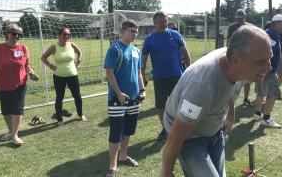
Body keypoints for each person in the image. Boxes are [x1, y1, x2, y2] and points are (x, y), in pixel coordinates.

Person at [160, 25, 272, 177]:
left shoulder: (238, 66)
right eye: (261, 62)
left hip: (214, 130)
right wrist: (166, 172)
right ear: (236, 60)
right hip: (189, 136)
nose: (269, 67)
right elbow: (175, 137)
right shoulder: (201, 87)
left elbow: (230, 91)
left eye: (269, 59)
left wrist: (230, 118)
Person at [104, 19, 146, 177]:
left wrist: (142, 90)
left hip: (134, 98)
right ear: (123, 31)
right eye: (131, 31)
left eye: (136, 31)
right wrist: (119, 94)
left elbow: (140, 73)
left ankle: (123, 156)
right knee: (116, 132)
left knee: (128, 130)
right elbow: (109, 73)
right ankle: (112, 166)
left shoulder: (136, 50)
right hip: (117, 98)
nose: (134, 34)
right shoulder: (115, 49)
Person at [142, 11, 191, 142]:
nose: (164, 24)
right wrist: (142, 76)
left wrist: (189, 69)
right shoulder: (149, 39)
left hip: (176, 76)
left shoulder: (175, 35)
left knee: (179, 104)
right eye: (162, 22)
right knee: (160, 105)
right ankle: (165, 129)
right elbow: (144, 59)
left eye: (166, 21)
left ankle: (178, 129)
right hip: (159, 78)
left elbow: (185, 53)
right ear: (155, 23)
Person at [0, 24, 39, 145]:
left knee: (17, 108)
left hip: (20, 83)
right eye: (14, 34)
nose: (17, 36)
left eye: (19, 35)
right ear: (7, 34)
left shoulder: (23, 48)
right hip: (3, 83)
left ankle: (15, 135)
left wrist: (31, 73)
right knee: (6, 110)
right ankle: (11, 131)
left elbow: (26, 65)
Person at [41, 27, 86, 126]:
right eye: (65, 34)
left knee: (77, 96)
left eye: (68, 34)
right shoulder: (54, 47)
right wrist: (51, 66)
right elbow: (43, 57)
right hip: (59, 76)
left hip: (72, 75)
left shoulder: (72, 45)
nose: (67, 36)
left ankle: (80, 114)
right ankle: (59, 119)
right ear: (59, 35)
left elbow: (80, 52)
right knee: (59, 97)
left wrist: (78, 62)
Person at [254, 14, 282, 128]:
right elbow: (268, 52)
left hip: (262, 68)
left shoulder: (267, 32)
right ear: (277, 23)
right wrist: (266, 69)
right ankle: (266, 118)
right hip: (269, 69)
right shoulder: (272, 34)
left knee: (260, 92)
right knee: (273, 93)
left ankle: (257, 113)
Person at [263, 8, 282, 100]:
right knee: (269, 72)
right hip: (270, 54)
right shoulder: (269, 27)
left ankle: (276, 92)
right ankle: (267, 92)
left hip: (281, 52)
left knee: (280, 73)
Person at [226, 9, 254, 107]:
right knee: (233, 78)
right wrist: (227, 51)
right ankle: (229, 99)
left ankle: (246, 99)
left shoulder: (251, 27)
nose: (239, 20)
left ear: (245, 16)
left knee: (247, 79)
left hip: (247, 56)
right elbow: (228, 40)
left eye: (241, 18)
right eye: (237, 18)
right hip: (235, 56)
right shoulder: (232, 27)